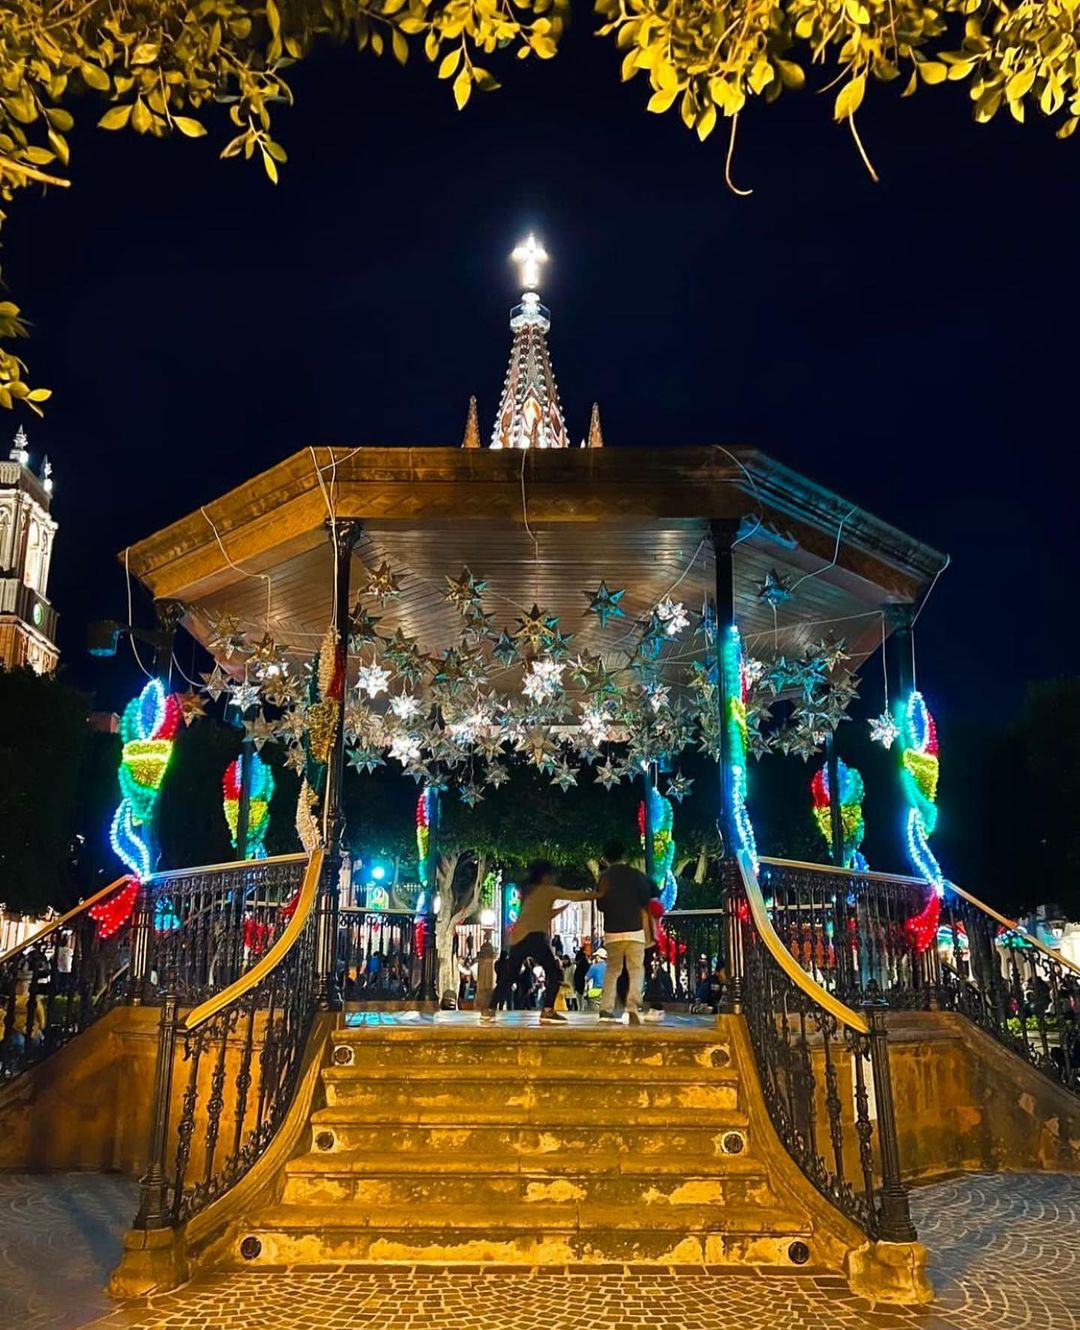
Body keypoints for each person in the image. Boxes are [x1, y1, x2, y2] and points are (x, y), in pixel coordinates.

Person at [483, 860, 595, 1025]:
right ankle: (548, 1010)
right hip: (534, 937)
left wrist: (559, 910)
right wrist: (597, 894)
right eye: (551, 875)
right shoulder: (547, 890)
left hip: (517, 938)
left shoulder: (529, 891)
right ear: (545, 876)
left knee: (510, 976)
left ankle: (489, 1009)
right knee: (554, 973)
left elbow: (541, 914)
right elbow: (575, 895)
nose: (553, 878)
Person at [595, 840, 658, 1025]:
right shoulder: (636, 875)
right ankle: (632, 1007)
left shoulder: (604, 877)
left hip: (612, 931)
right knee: (636, 969)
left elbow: (600, 904)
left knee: (613, 970)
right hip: (635, 931)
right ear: (623, 855)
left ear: (605, 858)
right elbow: (650, 896)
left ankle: (606, 1009)